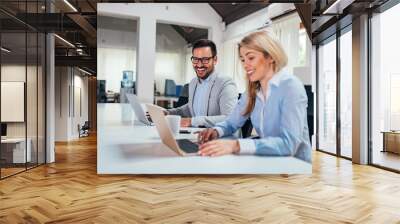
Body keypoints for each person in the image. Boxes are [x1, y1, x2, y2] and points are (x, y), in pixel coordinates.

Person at [197, 31, 311, 163]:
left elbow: (288, 144)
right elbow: (231, 122)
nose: (245, 65)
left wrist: (236, 145)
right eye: (243, 60)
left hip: (296, 167)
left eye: (251, 58)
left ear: (271, 57)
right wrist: (216, 131)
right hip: (270, 162)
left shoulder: (291, 87)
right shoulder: (253, 91)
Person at [166, 39, 238, 128]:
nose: (199, 65)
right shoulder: (193, 83)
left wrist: (192, 121)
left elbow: (230, 118)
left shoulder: (226, 83)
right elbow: (191, 108)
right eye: (195, 59)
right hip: (196, 135)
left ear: (215, 60)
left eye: (205, 59)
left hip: (221, 138)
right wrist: (169, 113)